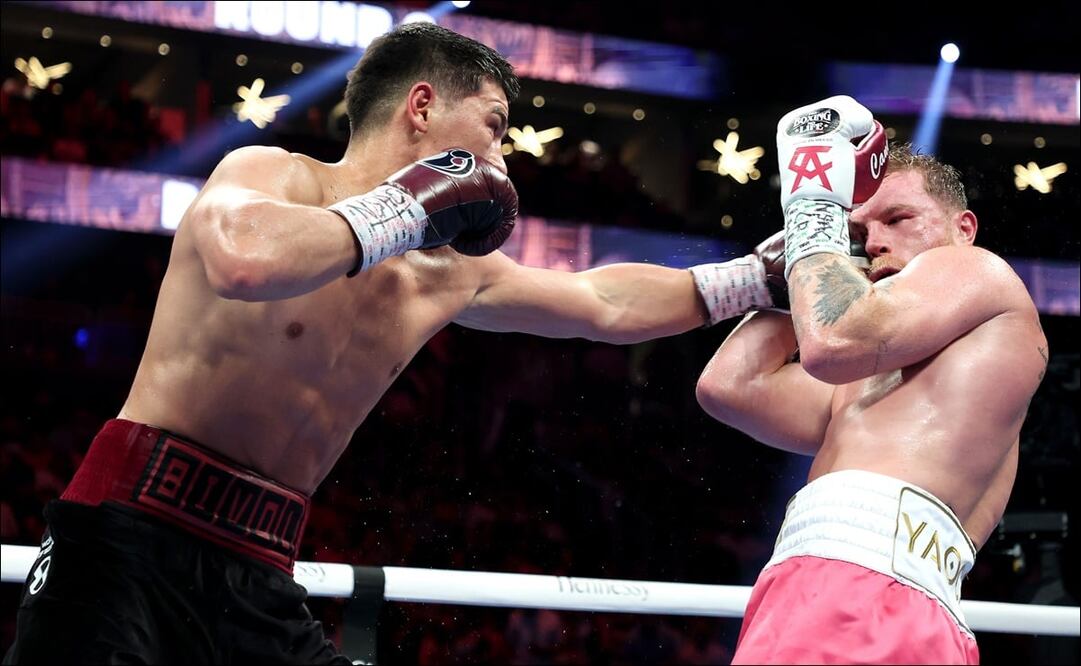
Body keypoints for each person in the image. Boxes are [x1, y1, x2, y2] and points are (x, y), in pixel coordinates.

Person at [5, 23, 790, 664]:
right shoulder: (274, 174)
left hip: (261, 565)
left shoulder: (450, 274)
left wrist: (754, 279)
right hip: (128, 531)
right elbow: (244, 259)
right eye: (493, 126)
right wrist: (408, 208)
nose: (501, 158)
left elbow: (603, 303)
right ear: (421, 106)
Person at [695, 96, 1048, 664]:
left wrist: (813, 210)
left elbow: (834, 340)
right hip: (832, 588)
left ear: (963, 229)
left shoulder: (980, 271)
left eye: (899, 219)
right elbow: (731, 388)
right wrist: (804, 262)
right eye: (856, 231)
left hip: (859, 591)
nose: (874, 241)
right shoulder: (872, 383)